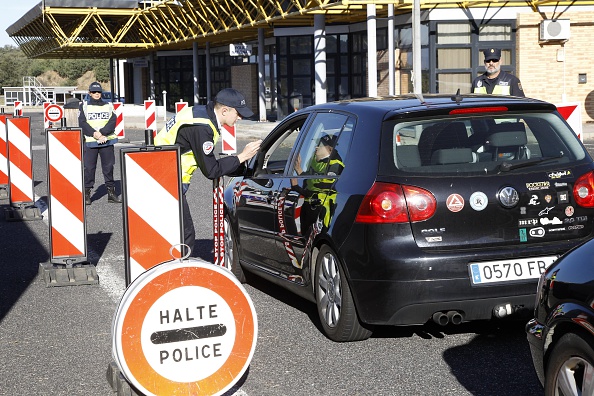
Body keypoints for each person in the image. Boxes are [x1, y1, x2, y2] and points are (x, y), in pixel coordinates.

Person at [154, 88, 261, 250]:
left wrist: (237, 166)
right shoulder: (202, 127)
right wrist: (242, 156)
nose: (240, 118)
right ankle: (178, 271)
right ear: (225, 110)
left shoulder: (200, 112)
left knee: (173, 231)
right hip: (166, 178)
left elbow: (206, 159)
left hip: (157, 171)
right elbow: (211, 170)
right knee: (185, 235)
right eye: (238, 113)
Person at [78, 82, 121, 205]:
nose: (97, 94)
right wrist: (95, 134)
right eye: (94, 92)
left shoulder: (108, 105)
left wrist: (102, 133)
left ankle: (111, 194)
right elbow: (82, 122)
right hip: (91, 141)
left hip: (106, 140)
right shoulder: (84, 106)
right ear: (89, 93)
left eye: (98, 92)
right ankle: (87, 194)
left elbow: (113, 121)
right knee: (89, 168)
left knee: (108, 168)